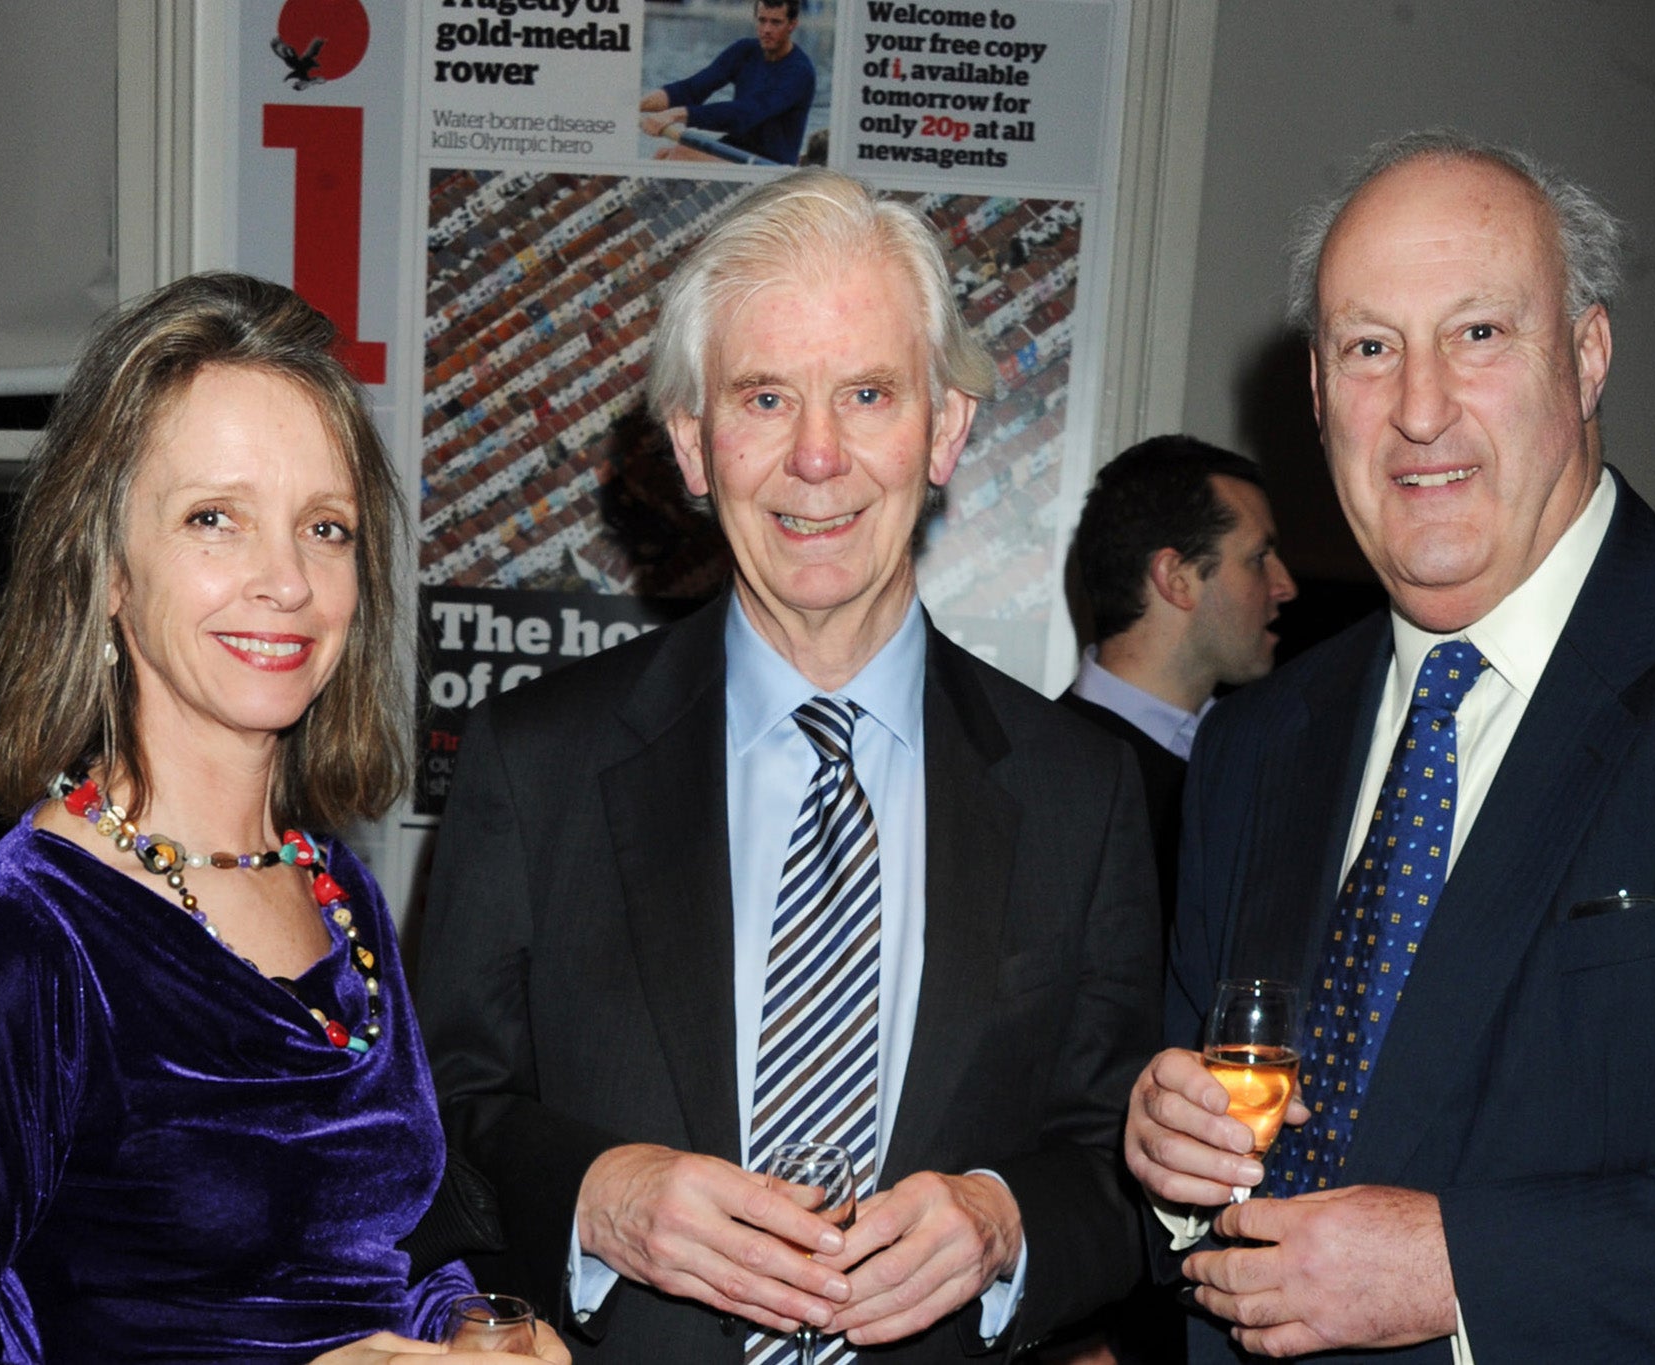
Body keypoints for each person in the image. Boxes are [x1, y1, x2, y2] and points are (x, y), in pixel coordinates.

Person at [1125, 130, 1655, 1363]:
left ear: (1585, 356)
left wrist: (1466, 1272)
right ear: (1315, 393)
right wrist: (1163, 1165)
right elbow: (1202, 1201)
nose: (1418, 410)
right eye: (1369, 349)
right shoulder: (1254, 744)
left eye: (1477, 333)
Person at [418, 169, 1158, 1362]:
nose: (817, 457)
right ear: (692, 445)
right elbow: (427, 1129)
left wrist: (1001, 1222)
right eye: (764, 398)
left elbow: (1124, 1165)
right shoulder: (532, 766)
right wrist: (598, 1199)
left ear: (944, 429)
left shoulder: (1082, 789)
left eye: (866, 394)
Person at [0, 273, 568, 1365]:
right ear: (108, 571)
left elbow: (375, 1252)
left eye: (325, 527)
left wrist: (464, 1326)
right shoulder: (21, 934)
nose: (286, 580)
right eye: (214, 519)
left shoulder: (338, 891)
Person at [1062, 435, 1296, 909]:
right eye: (1258, 558)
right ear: (1176, 578)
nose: (1285, 585)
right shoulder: (1048, 778)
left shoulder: (1262, 760)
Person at [639, 0, 815, 166]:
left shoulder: (799, 72)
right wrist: (634, 106)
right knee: (662, 154)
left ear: (792, 25)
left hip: (771, 164)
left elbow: (746, 113)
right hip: (735, 150)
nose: (766, 29)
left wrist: (675, 115)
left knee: (682, 154)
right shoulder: (745, 51)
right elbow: (691, 90)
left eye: (776, 23)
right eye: (762, 20)